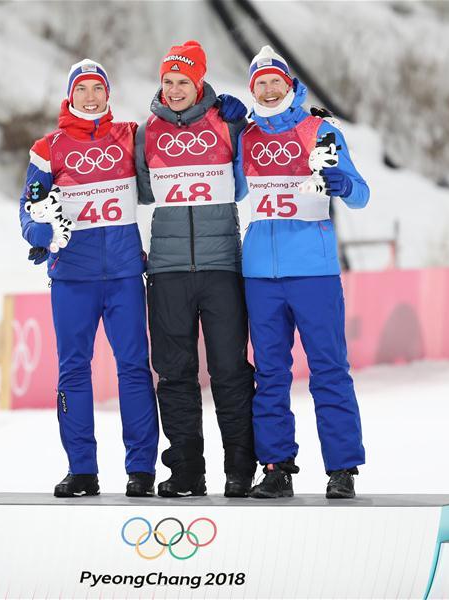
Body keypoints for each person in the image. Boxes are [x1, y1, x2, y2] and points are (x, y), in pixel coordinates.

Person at [20, 59, 159, 498]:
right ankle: (82, 470)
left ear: (107, 94)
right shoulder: (49, 148)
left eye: (98, 88)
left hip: (122, 276)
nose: (91, 97)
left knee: (134, 370)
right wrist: (44, 232)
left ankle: (141, 469)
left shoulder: (129, 136)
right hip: (72, 281)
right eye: (83, 89)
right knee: (73, 372)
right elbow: (28, 212)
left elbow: (181, 140)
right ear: (70, 96)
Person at [235, 46, 369, 499]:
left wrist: (343, 183)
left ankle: (342, 468)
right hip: (259, 274)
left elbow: (361, 195)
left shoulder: (320, 128)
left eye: (276, 81)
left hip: (313, 270)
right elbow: (229, 186)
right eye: (260, 83)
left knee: (329, 368)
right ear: (252, 89)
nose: (269, 89)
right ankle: (276, 467)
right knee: (270, 373)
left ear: (289, 84)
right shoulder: (246, 136)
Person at [135, 40, 256, 497]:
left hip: (222, 264)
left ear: (199, 81)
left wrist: (244, 122)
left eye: (183, 81)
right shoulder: (147, 132)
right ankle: (187, 469)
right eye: (168, 81)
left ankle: (240, 467)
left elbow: (249, 181)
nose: (175, 89)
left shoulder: (226, 124)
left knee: (230, 370)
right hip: (166, 269)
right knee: (174, 372)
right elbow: (142, 191)